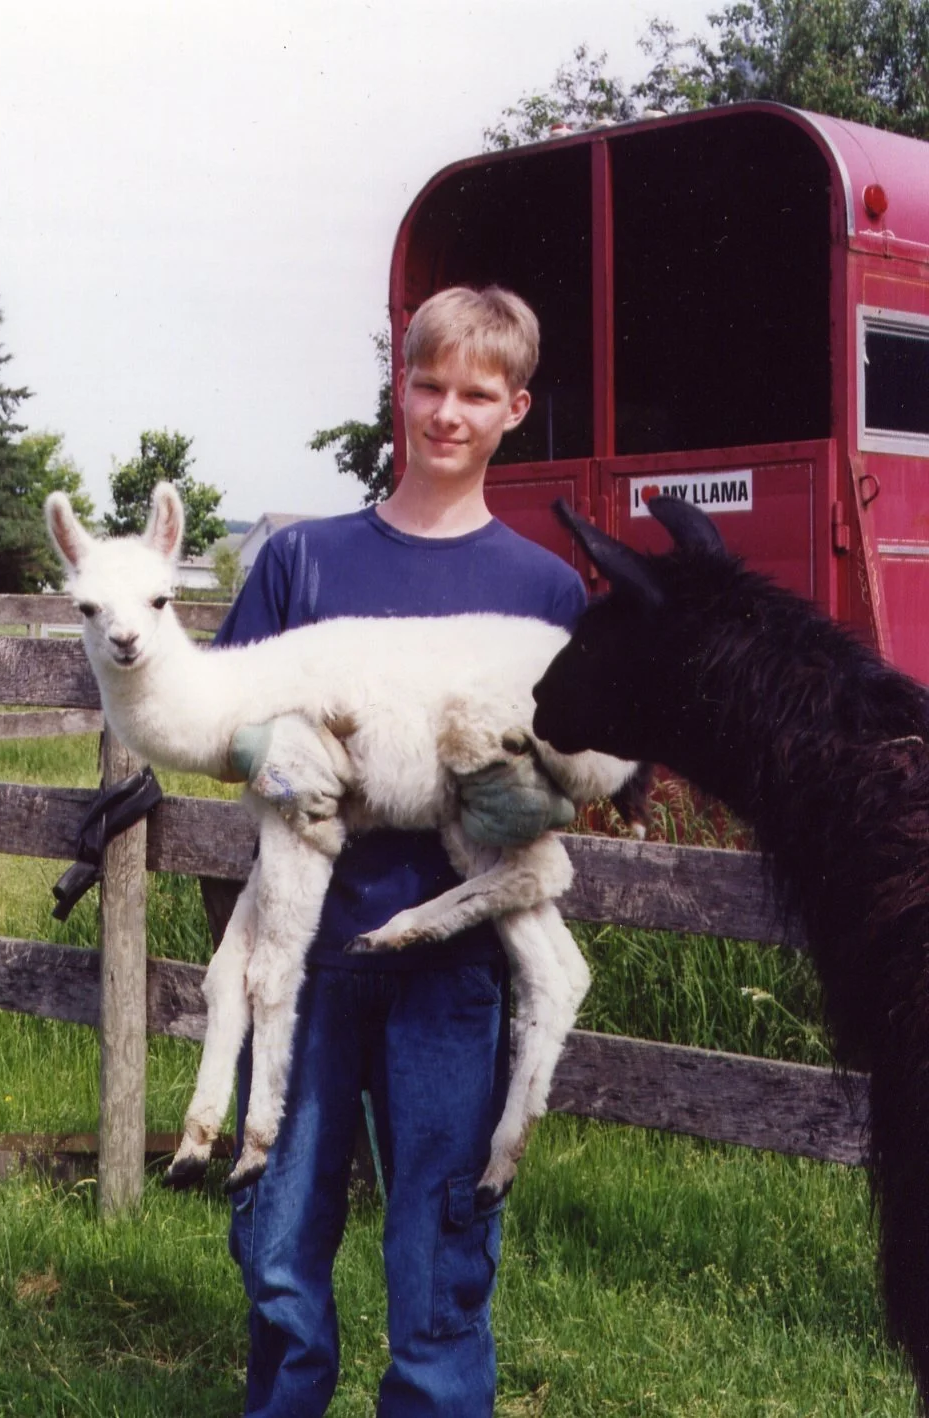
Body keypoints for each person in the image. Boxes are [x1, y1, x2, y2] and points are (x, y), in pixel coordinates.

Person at [216, 285, 588, 1417]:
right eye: (427, 385)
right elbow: (217, 719)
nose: (445, 412)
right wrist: (258, 746)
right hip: (312, 955)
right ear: (400, 389)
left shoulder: (544, 590)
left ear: (515, 406)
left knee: (439, 1259)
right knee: (278, 1243)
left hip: (449, 973)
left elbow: (575, 780)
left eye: (476, 392)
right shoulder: (302, 563)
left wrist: (515, 794)